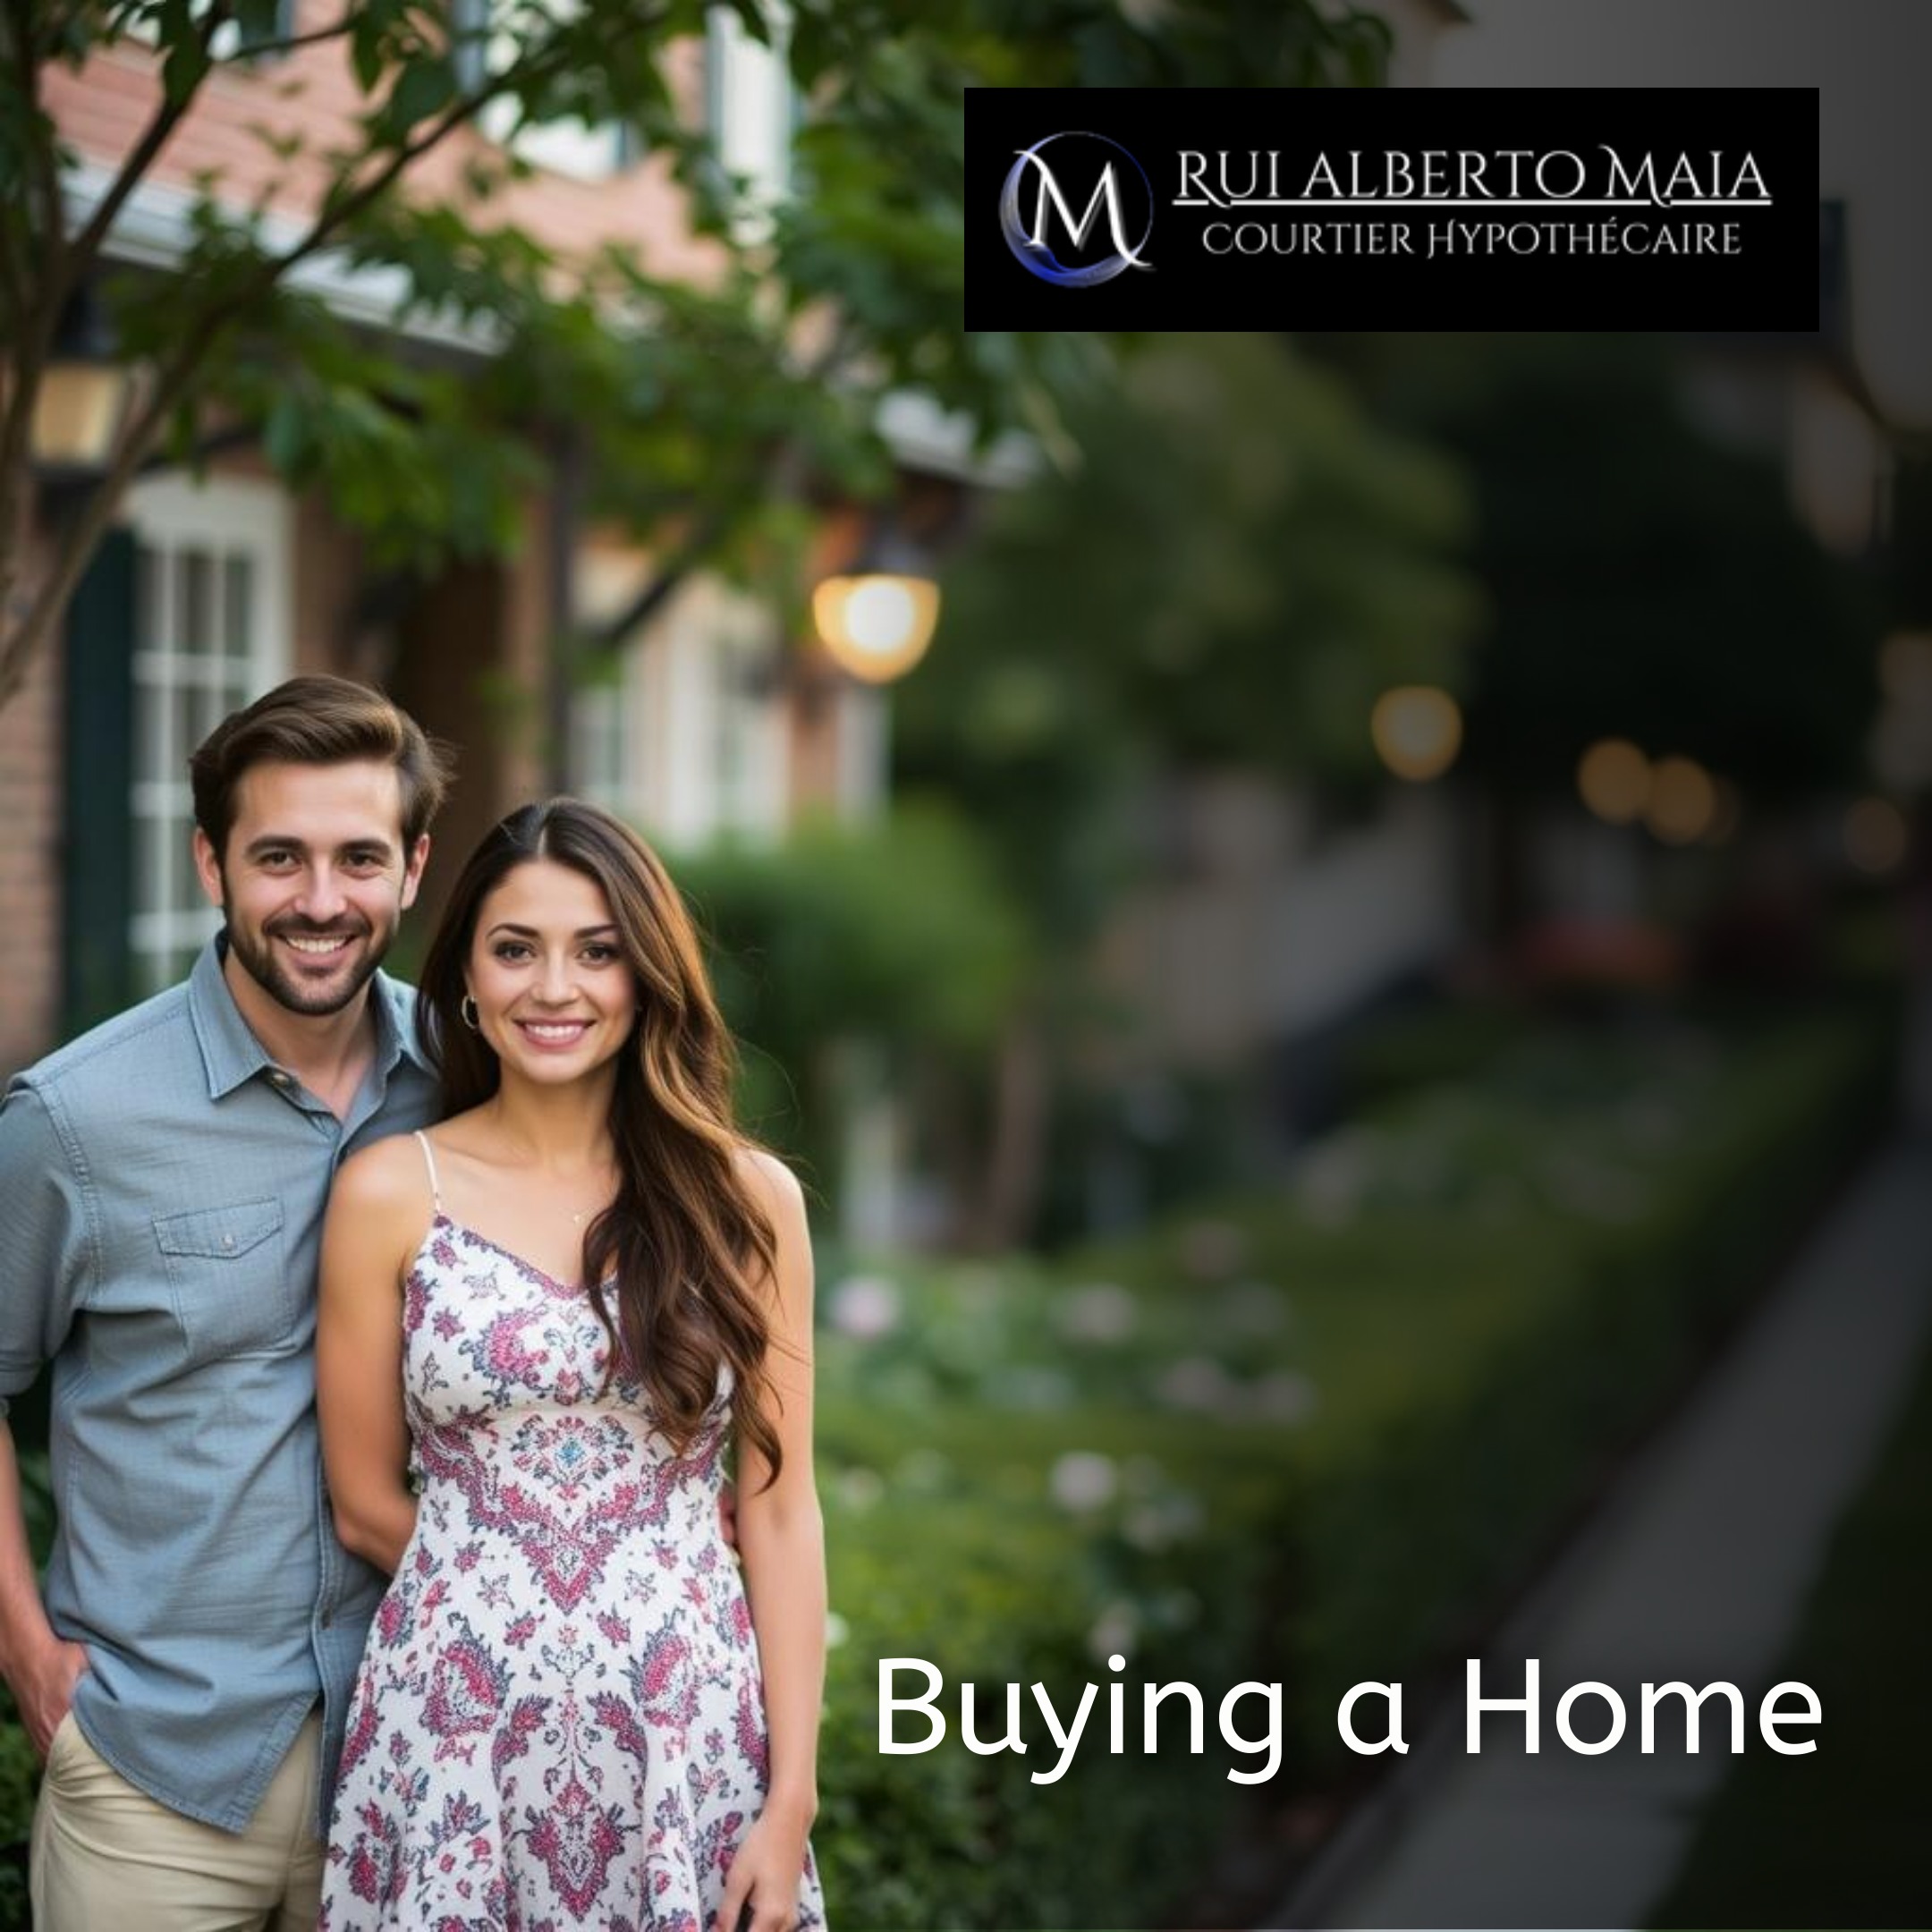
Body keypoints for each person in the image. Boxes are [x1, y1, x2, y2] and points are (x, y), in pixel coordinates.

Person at [314, 798, 826, 1931]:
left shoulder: (747, 1203)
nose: (555, 988)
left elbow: (781, 1514)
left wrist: (788, 1803)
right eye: (516, 949)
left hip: (687, 1741)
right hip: (452, 1733)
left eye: (597, 951)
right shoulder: (391, 1190)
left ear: (646, 977)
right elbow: (362, 1504)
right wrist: (521, 1606)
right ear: (467, 983)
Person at [0, 675, 453, 1928]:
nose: (321, 902)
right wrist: (30, 1661)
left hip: (412, 1758)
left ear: (413, 868)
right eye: (278, 858)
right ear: (211, 864)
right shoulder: (74, 1119)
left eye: (360, 857)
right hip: (153, 1774)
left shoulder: (472, 1091)